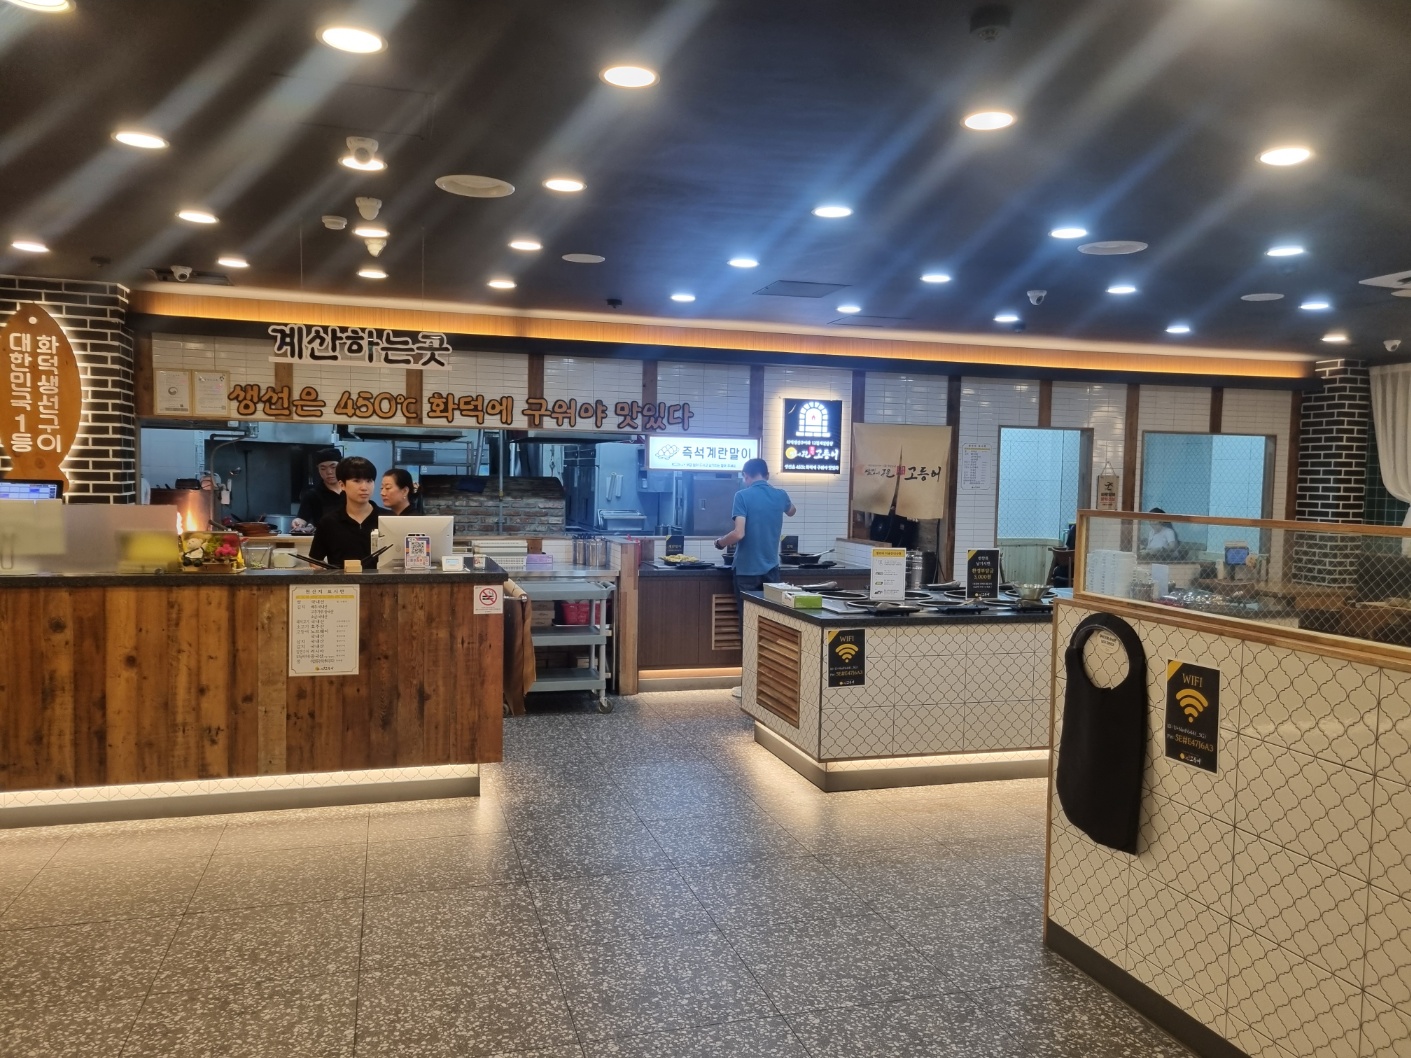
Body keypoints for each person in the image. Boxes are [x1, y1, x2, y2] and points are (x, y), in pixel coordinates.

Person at [715, 458, 796, 696]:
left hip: (747, 571)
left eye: (744, 477)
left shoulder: (742, 496)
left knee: (750, 626)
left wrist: (720, 542)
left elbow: (739, 533)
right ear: (767, 475)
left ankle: (750, 685)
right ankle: (772, 682)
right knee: (772, 625)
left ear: (747, 475)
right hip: (772, 570)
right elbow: (792, 511)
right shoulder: (780, 495)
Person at [310, 457, 390, 567]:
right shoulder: (329, 522)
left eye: (369, 481)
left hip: (382, 578)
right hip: (342, 578)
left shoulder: (388, 519)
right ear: (342, 485)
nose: (364, 487)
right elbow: (315, 560)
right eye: (357, 481)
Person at [292, 448, 344, 533]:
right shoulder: (312, 495)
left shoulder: (352, 491)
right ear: (318, 470)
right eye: (323, 468)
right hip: (325, 539)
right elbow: (302, 519)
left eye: (333, 467)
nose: (329, 472)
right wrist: (298, 522)